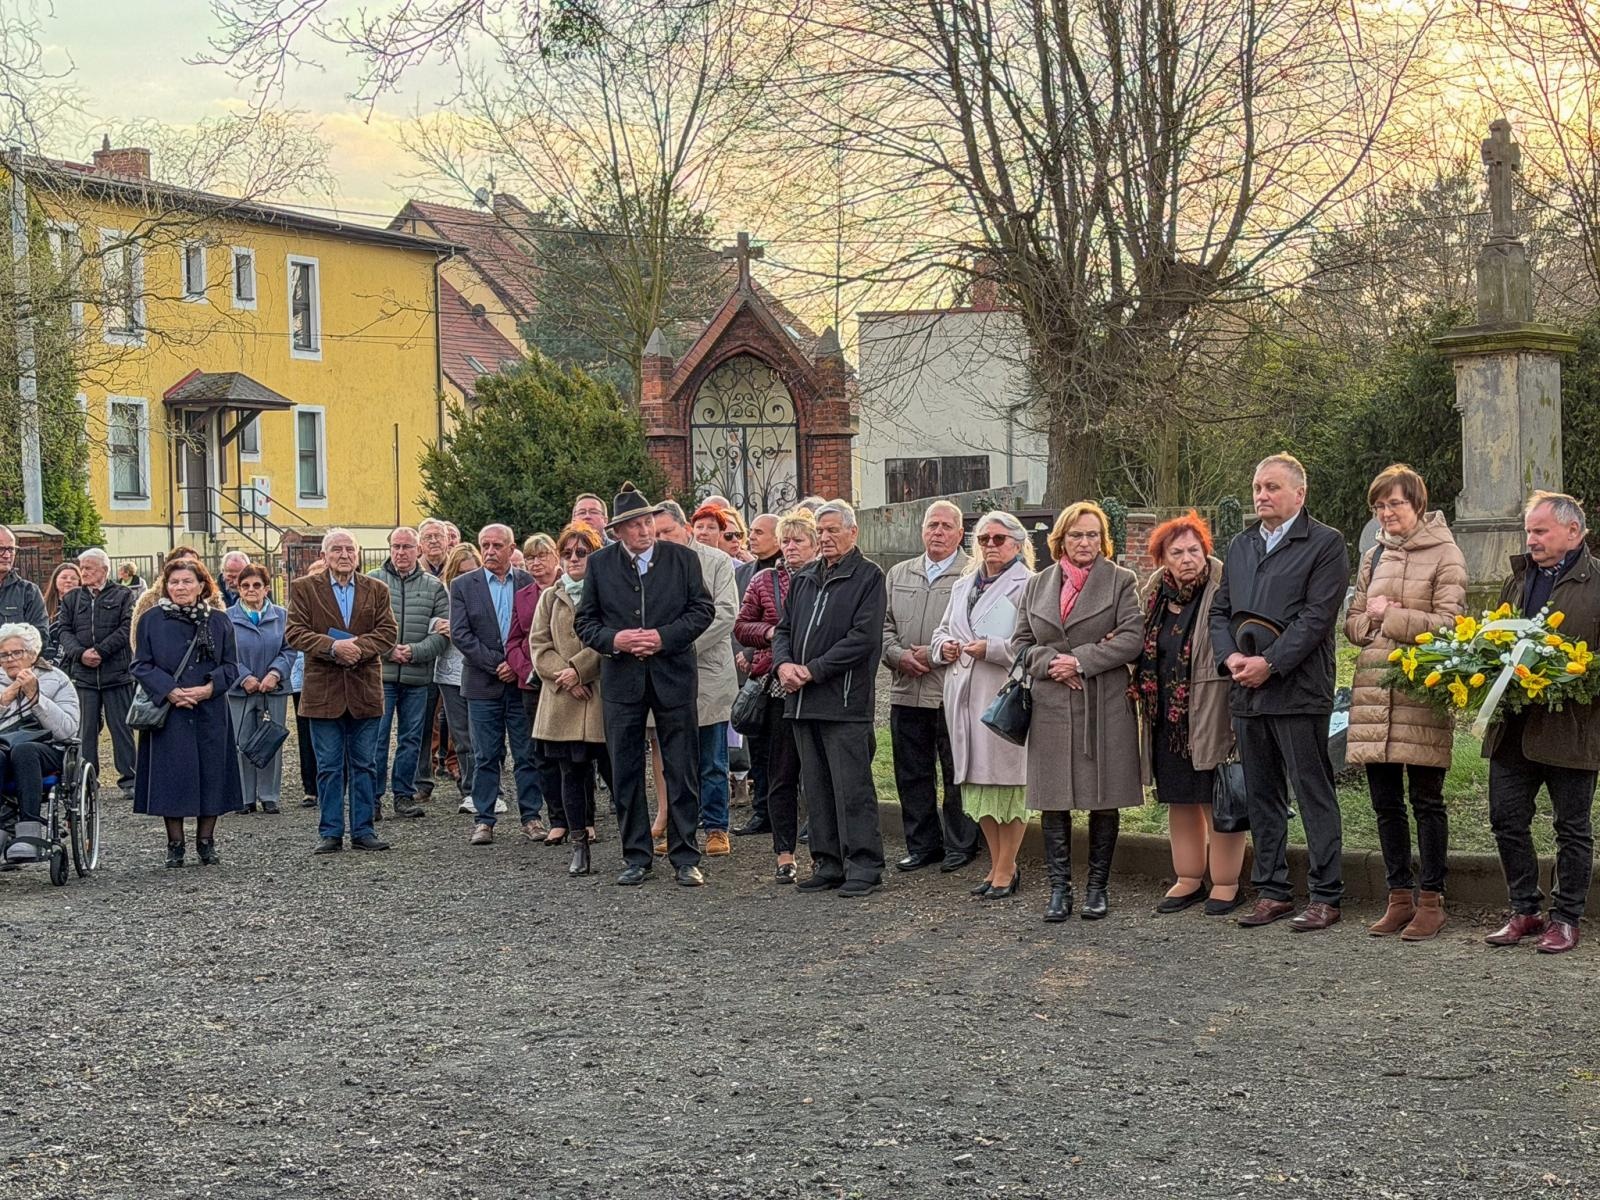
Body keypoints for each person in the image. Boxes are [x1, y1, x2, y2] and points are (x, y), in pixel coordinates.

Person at [1210, 453, 1350, 931]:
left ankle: (1326, 894)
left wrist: (1270, 663)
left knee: (1312, 792)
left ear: (1299, 494)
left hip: (1298, 690)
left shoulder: (1326, 544)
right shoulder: (1242, 545)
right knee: (1262, 793)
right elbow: (1220, 611)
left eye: (1271, 487)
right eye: (1256, 488)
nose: (1261, 495)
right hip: (1246, 691)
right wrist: (1231, 659)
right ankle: (1272, 890)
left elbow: (1316, 617)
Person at [1344, 465, 1466, 940]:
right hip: (1375, 692)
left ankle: (1432, 901)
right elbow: (1353, 621)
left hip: (1421, 691)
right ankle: (1398, 897)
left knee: (1427, 801)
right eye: (1379, 505)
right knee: (1385, 803)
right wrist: (1369, 624)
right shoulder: (1373, 555)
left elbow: (1452, 625)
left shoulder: (1446, 554)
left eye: (1395, 503)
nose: (1386, 513)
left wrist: (1391, 619)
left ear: (1417, 504)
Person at [575, 482, 715, 887]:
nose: (644, 530)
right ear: (617, 531)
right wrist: (615, 640)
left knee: (682, 766)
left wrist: (664, 637)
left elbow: (702, 610)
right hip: (622, 679)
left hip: (672, 674)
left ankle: (685, 855)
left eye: (647, 521)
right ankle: (635, 855)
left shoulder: (682, 559)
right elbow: (586, 621)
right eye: (633, 525)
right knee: (626, 769)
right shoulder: (601, 565)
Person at [1483, 491, 1600, 955]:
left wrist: (1569, 674)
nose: (1530, 539)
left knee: (1571, 827)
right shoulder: (1518, 579)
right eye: (1528, 531)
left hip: (1572, 729)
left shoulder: (1596, 582)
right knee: (1506, 819)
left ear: (1573, 531)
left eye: (1539, 531)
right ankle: (1524, 909)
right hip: (1513, 726)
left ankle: (1567, 918)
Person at [1012, 502, 1142, 918]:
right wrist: (1049, 663)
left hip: (1102, 702)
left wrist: (1081, 660)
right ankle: (1058, 889)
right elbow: (1019, 643)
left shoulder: (1122, 580)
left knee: (1104, 797)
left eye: (1091, 534)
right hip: (1051, 702)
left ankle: (1097, 888)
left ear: (1102, 539)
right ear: (1060, 540)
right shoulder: (1037, 585)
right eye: (1075, 535)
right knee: (1054, 798)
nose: (1083, 542)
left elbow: (1132, 638)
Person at [1133, 512, 1249, 917]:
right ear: (1162, 558)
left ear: (1206, 551)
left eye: (1193, 550)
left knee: (1215, 800)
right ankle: (1188, 878)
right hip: (1166, 716)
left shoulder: (1224, 590)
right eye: (1176, 551)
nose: (1186, 558)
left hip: (1213, 713)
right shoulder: (1154, 594)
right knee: (1180, 799)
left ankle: (1227, 883)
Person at [773, 500, 888, 898]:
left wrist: (813, 669)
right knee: (817, 788)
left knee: (851, 787)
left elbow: (864, 637)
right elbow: (783, 630)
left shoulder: (869, 576)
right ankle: (828, 861)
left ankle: (864, 864)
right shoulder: (805, 578)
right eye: (820, 531)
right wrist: (783, 665)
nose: (824, 538)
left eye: (832, 530)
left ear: (853, 533)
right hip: (802, 701)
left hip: (843, 701)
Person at [930, 510, 1034, 899]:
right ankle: (996, 865)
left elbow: (1036, 642)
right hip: (963, 696)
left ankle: (1007, 868)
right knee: (978, 786)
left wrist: (991, 648)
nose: (991, 545)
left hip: (1002, 696)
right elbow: (941, 630)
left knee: (1009, 786)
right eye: (985, 539)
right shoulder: (962, 585)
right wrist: (945, 647)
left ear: (1018, 544)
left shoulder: (1029, 584)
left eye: (1000, 539)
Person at [286, 528, 399, 855]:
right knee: (329, 766)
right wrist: (333, 647)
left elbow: (388, 632)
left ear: (359, 555)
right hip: (324, 690)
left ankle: (363, 830)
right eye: (337, 549)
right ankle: (331, 832)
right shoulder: (304, 589)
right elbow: (295, 632)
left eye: (350, 549)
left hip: (364, 687)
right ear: (324, 556)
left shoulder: (377, 589)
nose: (344, 554)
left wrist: (358, 648)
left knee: (365, 764)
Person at [883, 499, 980, 874]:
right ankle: (922, 844)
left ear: (959, 533)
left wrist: (937, 655)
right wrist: (896, 655)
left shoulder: (971, 575)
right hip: (906, 688)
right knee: (911, 772)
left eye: (945, 526)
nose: (937, 532)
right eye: (931, 525)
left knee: (956, 771)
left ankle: (961, 844)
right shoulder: (899, 574)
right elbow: (883, 625)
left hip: (950, 691)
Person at [130, 558, 243, 867]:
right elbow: (141, 664)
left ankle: (206, 843)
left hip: (209, 710)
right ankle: (175, 844)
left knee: (211, 774)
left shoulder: (219, 621)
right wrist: (170, 690)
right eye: (174, 582)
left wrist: (208, 689)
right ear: (166, 586)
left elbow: (231, 666)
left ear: (202, 585)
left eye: (187, 581)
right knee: (172, 777)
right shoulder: (151, 619)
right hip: (170, 710)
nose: (180, 587)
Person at [450, 523, 545, 846]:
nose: (490, 551)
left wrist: (517, 665)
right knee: (485, 754)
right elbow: (461, 634)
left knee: (526, 753)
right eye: (485, 545)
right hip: (482, 683)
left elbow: (538, 631)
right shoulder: (464, 585)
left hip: (521, 684)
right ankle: (484, 819)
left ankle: (531, 817)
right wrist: (497, 664)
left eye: (497, 545)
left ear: (511, 548)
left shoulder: (527, 582)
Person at [736, 509, 818, 880]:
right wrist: (772, 635)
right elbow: (741, 626)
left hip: (818, 684)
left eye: (799, 539)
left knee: (818, 773)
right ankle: (784, 852)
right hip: (774, 685)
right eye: (786, 540)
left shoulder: (826, 580)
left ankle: (822, 844)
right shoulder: (763, 581)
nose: (791, 546)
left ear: (816, 543)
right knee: (780, 772)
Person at [655, 500, 739, 857]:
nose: (660, 539)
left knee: (711, 758)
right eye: (656, 533)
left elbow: (725, 613)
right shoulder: (651, 564)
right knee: (674, 759)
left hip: (706, 670)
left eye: (667, 532)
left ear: (684, 529)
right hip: (664, 674)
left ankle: (717, 826)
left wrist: (679, 644)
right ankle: (679, 828)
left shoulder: (715, 561)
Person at [531, 522, 607, 876]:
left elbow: (609, 638)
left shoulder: (608, 592)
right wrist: (565, 676)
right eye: (568, 553)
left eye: (582, 552)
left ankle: (635, 845)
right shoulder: (551, 595)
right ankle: (579, 845)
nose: (574, 558)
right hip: (562, 698)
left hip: (600, 697)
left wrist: (580, 670)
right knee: (571, 773)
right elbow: (539, 645)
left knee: (617, 773)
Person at [369, 526, 449, 821]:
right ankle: (373, 798)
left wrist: (414, 652)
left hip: (418, 677)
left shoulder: (434, 587)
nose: (401, 552)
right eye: (396, 547)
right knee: (376, 739)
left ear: (419, 550)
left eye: (407, 547)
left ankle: (403, 794)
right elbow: (362, 627)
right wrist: (388, 650)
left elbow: (444, 632)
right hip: (380, 675)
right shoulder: (372, 582)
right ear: (389, 549)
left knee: (412, 738)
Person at [56, 547, 137, 800]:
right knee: (85, 730)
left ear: (105, 569)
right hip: (84, 676)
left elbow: (127, 628)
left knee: (121, 728)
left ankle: (130, 780)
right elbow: (63, 630)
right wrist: (80, 654)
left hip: (117, 673)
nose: (84, 573)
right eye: (82, 568)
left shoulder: (124, 595)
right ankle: (87, 780)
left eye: (89, 568)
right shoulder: (72, 599)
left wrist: (101, 651)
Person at [0, 623, 80, 864]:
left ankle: (28, 831)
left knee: (24, 751)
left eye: (18, 653)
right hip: (4, 746)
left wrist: (37, 697)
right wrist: (4, 700)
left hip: (47, 750)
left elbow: (67, 729)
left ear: (33, 654)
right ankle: (4, 822)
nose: (10, 659)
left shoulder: (57, 679)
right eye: (4, 654)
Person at [504, 533, 566, 841]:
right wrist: (529, 671)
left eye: (542, 556)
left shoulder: (573, 587)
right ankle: (556, 817)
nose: (536, 563)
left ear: (556, 556)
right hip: (533, 683)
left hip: (570, 681)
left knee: (574, 752)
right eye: (530, 558)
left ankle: (583, 817)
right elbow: (514, 641)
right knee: (540, 753)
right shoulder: (523, 595)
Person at [225, 563, 295, 815]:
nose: (251, 590)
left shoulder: (282, 616)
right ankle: (244, 796)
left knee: (270, 740)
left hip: (272, 689)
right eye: (245, 586)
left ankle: (269, 795)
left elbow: (289, 649)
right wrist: (244, 677)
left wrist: (275, 674)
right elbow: (225, 654)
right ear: (238, 589)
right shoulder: (226, 618)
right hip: (240, 690)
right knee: (241, 741)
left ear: (267, 588)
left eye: (256, 585)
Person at [433, 544, 484, 814]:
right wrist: (438, 626)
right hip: (450, 672)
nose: (467, 576)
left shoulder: (484, 591)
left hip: (479, 668)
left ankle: (488, 788)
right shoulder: (442, 594)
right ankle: (469, 788)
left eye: (472, 571)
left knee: (484, 736)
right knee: (462, 737)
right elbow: (427, 620)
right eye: (462, 572)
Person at [414, 515, 454, 800]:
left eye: (438, 536)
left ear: (448, 540)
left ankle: (456, 765)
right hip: (425, 657)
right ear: (420, 544)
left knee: (456, 718)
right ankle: (422, 779)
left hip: (455, 656)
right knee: (423, 721)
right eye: (427, 537)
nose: (433, 541)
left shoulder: (459, 568)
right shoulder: (413, 574)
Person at [0, 526, 48, 649]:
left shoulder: (29, 592)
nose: (7, 555)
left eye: (11, 549)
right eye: (1, 549)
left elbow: (40, 637)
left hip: (14, 665)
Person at [43, 562, 81, 659]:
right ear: (55, 581)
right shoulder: (43, 606)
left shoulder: (87, 606)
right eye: (64, 577)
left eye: (73, 578)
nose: (69, 581)